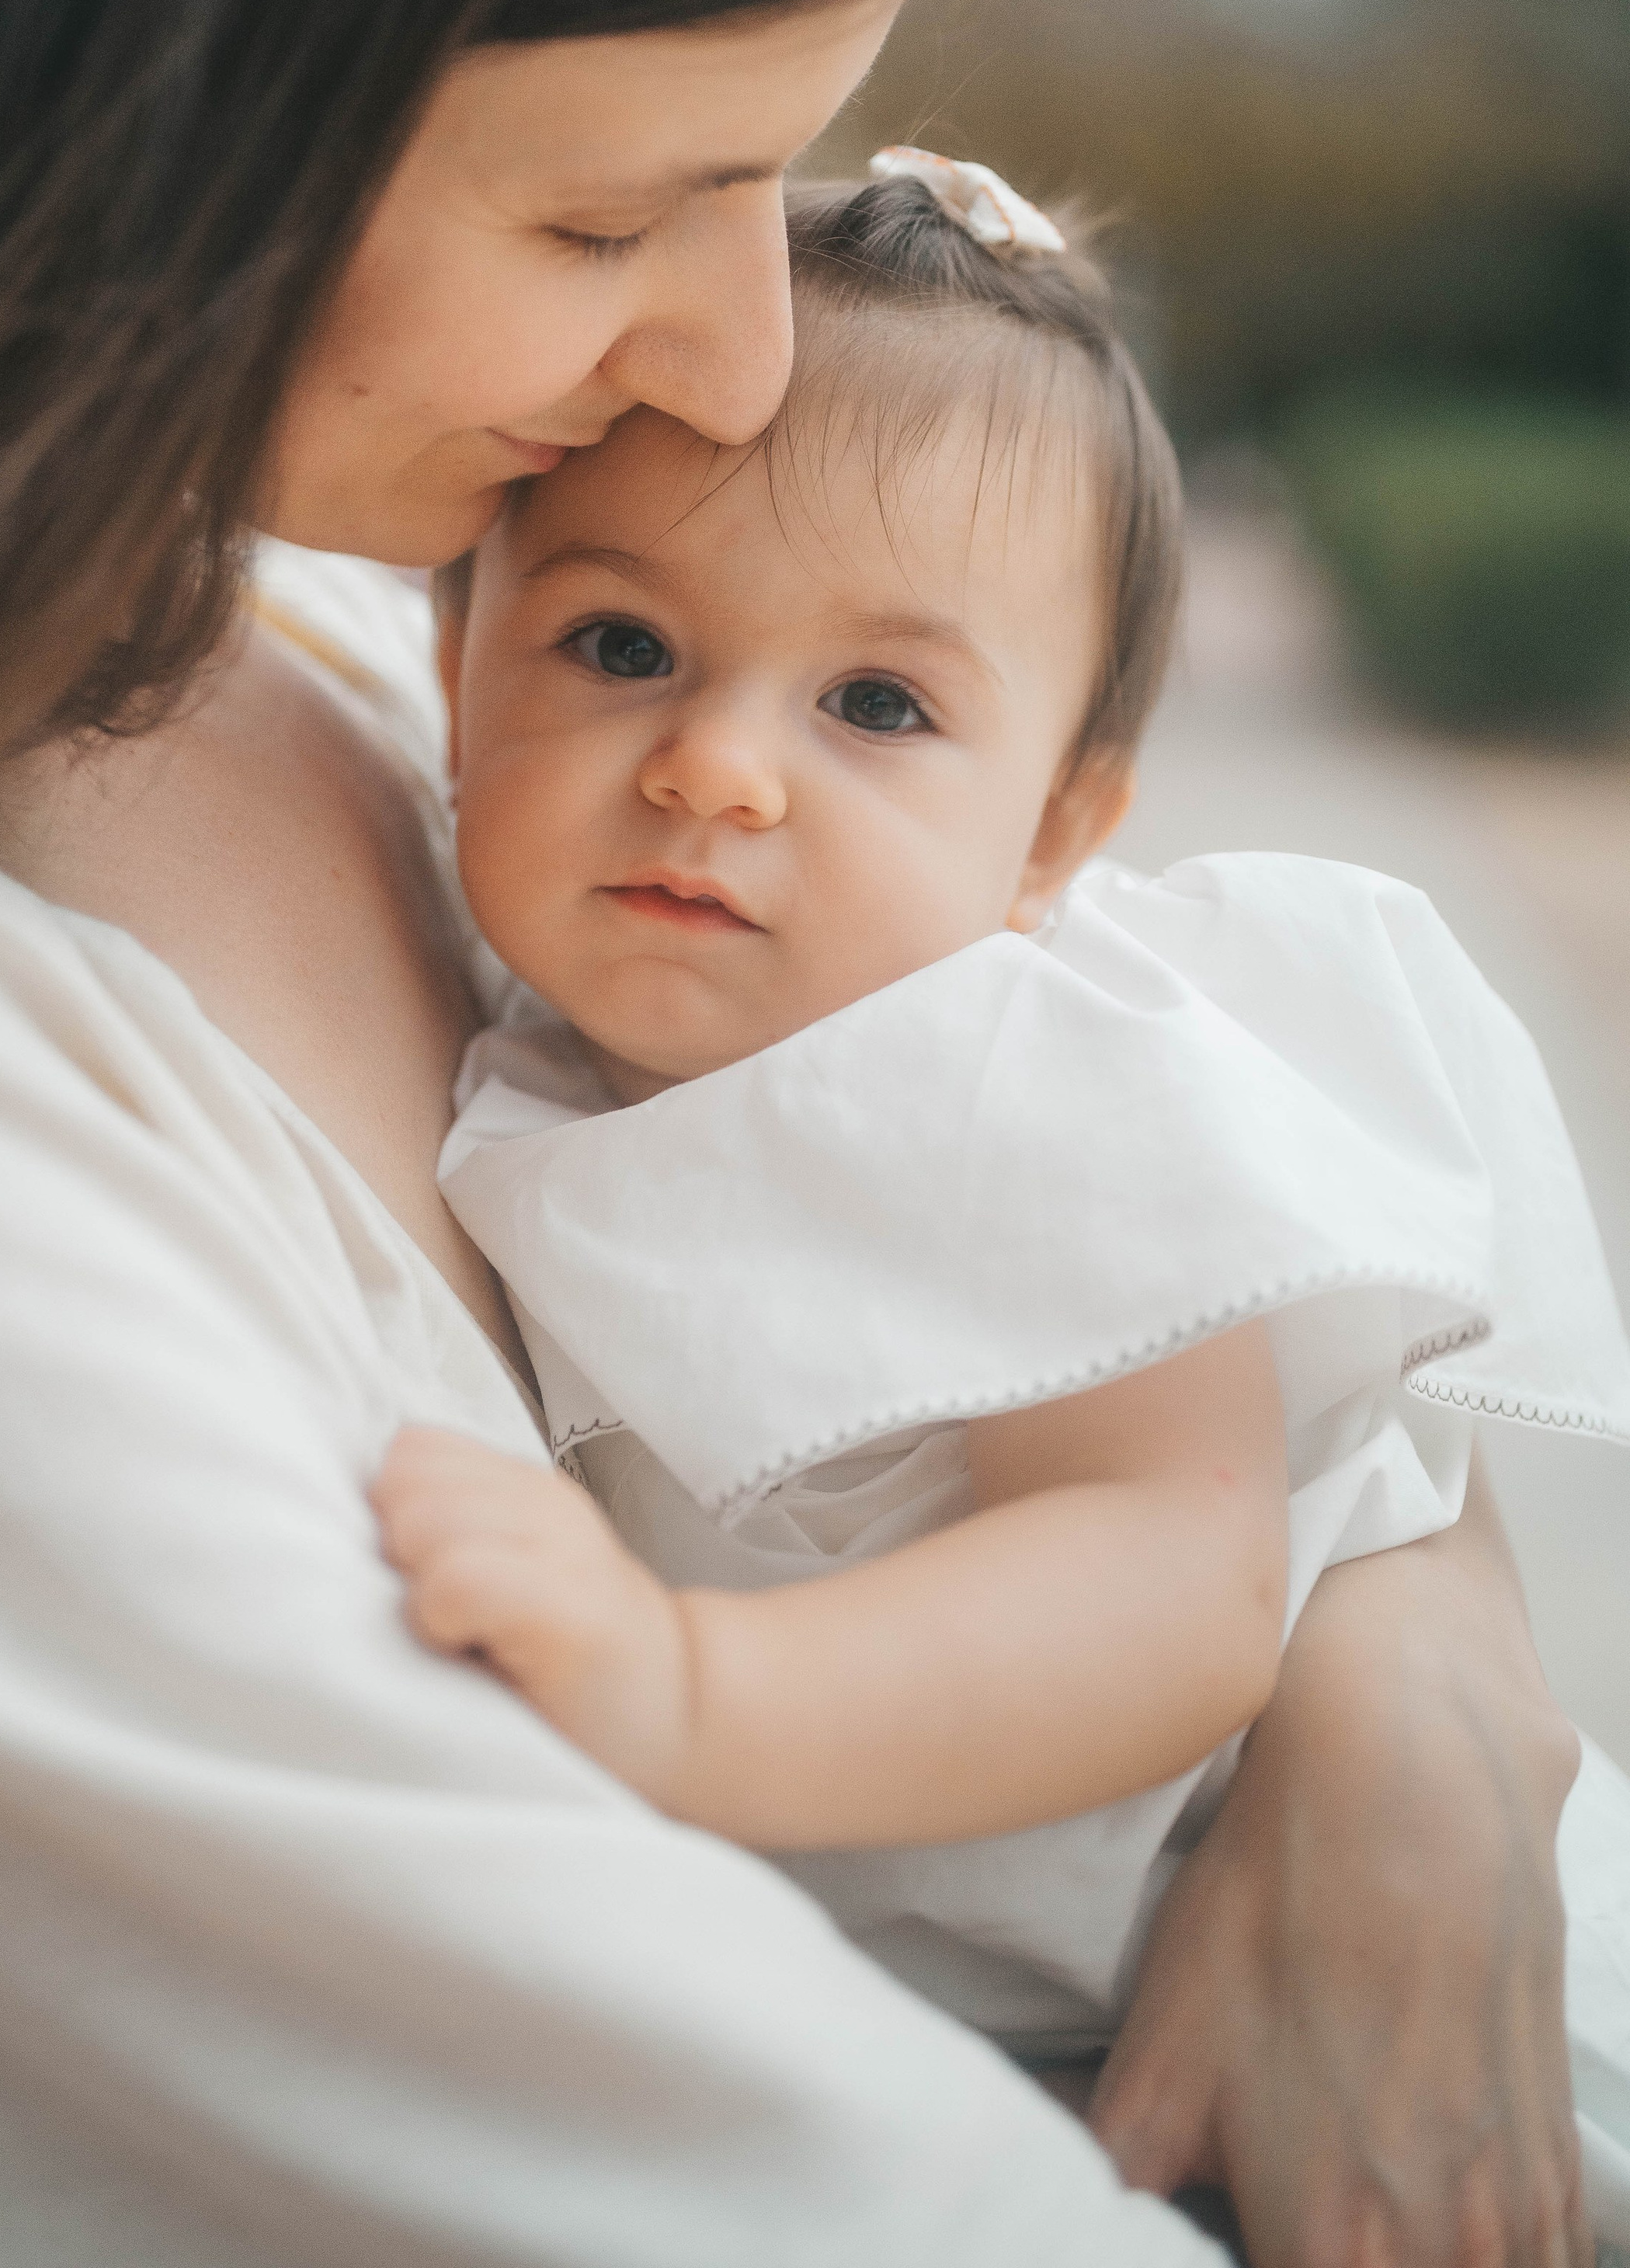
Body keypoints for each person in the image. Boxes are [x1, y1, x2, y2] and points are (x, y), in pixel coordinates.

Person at [0, 0, 1597, 2259]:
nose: (739, 348)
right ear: (158, 67)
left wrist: (1406, 1660)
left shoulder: (313, 602)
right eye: (613, 210)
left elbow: (1138, 1243)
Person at [383, 154, 1630, 2247]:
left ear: (1056, 824)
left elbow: (1181, 1566)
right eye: (619, 641)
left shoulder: (1003, 1074)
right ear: (453, 655)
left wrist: (695, 1698)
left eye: (878, 705)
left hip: (1450, 2044)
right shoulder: (585, 1047)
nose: (717, 769)